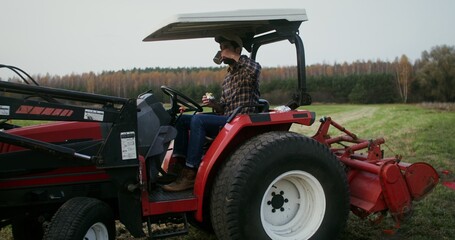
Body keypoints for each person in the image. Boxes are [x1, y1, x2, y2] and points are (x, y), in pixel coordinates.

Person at [162, 33, 261, 192]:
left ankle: (191, 172)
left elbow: (255, 69)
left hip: (242, 120)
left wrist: (235, 55)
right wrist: (214, 104)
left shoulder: (247, 69)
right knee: (183, 120)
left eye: (225, 48)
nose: (222, 52)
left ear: (237, 49)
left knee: (198, 121)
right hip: (227, 118)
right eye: (221, 49)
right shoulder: (228, 78)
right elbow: (223, 107)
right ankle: (179, 164)